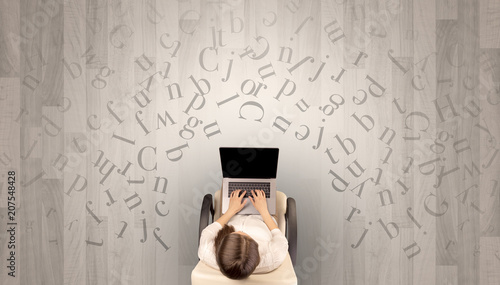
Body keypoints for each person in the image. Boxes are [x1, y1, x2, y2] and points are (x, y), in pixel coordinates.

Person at [198, 189, 289, 279]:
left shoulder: (207, 252)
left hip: (232, 214)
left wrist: (231, 210)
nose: (241, 232)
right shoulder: (273, 257)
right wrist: (263, 210)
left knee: (229, 186)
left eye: (235, 234)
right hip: (263, 217)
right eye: (247, 236)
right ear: (257, 250)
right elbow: (278, 235)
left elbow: (209, 230)